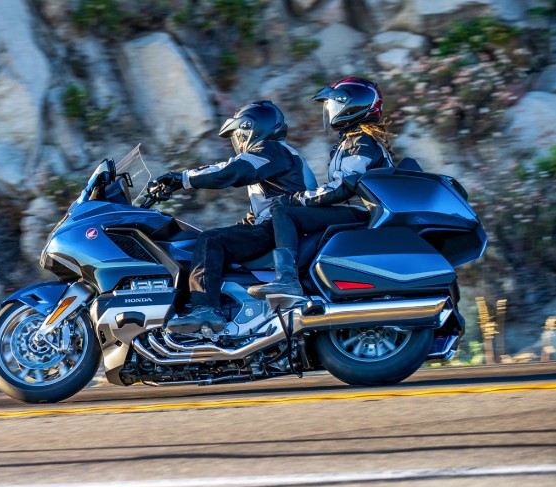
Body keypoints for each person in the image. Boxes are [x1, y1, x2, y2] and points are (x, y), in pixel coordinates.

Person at [151, 101, 315, 335]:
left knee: (210, 240)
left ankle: (205, 310)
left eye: (238, 134)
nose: (237, 141)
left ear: (251, 129)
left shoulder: (270, 149)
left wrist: (183, 178)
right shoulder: (280, 154)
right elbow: (264, 205)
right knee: (217, 236)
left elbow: (230, 171)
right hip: (281, 225)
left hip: (278, 228)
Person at [248, 77, 395, 298]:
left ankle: (287, 279)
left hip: (361, 211)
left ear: (351, 105)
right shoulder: (358, 139)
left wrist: (299, 198)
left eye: (333, 104)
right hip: (360, 210)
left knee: (284, 210)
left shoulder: (359, 141)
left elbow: (344, 187)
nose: (329, 111)